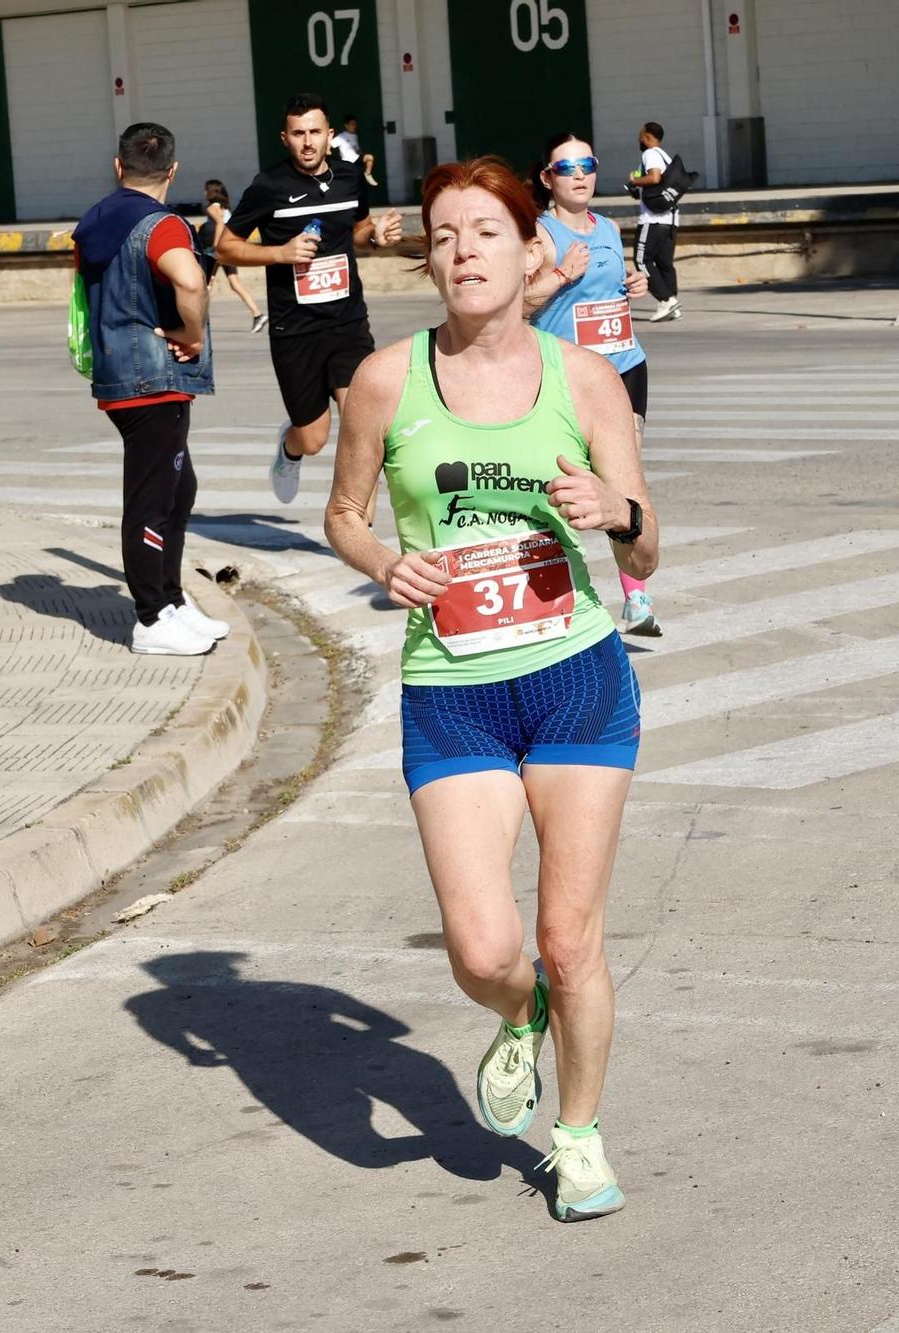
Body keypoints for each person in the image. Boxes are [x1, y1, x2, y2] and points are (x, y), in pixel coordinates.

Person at [324, 157, 660, 1222]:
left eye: (482, 232)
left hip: (574, 678)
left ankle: (577, 1137)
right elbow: (341, 514)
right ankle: (519, 1018)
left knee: (570, 938)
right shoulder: (385, 379)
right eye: (442, 235)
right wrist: (385, 565)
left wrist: (615, 512)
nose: (461, 251)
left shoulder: (585, 381)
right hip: (451, 688)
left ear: (530, 256)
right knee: (485, 953)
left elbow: (648, 553)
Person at [75, 122, 230, 657]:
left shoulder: (98, 218)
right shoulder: (160, 225)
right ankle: (150, 618)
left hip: (122, 372)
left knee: (177, 489)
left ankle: (171, 599)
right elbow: (188, 280)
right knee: (152, 500)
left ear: (119, 167)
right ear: (173, 170)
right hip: (153, 380)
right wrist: (190, 331)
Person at [217, 92, 402, 505]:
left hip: (347, 321)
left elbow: (356, 231)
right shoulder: (268, 187)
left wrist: (373, 237)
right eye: (298, 133)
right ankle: (290, 447)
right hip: (294, 328)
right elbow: (226, 247)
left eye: (315, 132)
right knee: (315, 438)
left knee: (361, 424)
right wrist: (279, 253)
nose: (307, 142)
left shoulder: (350, 177)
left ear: (330, 135)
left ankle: (358, 527)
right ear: (285, 138)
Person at [525, 131, 662, 638]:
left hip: (625, 367)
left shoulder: (606, 226)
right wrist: (560, 274)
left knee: (624, 483)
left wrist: (635, 284)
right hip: (569, 376)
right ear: (547, 178)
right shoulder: (539, 236)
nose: (580, 175)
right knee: (562, 484)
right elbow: (518, 302)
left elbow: (612, 287)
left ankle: (637, 599)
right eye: (567, 168)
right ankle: (556, 594)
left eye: (588, 164)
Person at [200, 181, 267, 333]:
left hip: (216, 251)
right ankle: (258, 314)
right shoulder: (225, 207)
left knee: (207, 284)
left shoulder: (212, 207)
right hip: (228, 249)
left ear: (210, 192)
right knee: (234, 282)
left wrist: (216, 247)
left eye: (205, 190)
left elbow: (219, 224)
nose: (204, 193)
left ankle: (199, 319)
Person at [629, 123, 680, 323]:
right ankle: (673, 304)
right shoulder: (666, 157)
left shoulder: (650, 154)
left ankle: (665, 300)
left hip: (652, 220)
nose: (639, 140)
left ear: (648, 137)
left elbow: (654, 177)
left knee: (642, 260)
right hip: (670, 220)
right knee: (664, 263)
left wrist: (634, 181)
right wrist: (637, 188)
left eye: (641, 136)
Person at [331, 114, 378, 188]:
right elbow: (330, 145)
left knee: (369, 158)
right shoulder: (341, 137)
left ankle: (367, 174)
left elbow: (357, 149)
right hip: (348, 163)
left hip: (357, 161)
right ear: (346, 125)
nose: (354, 126)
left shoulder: (355, 135)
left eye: (355, 124)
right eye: (352, 124)